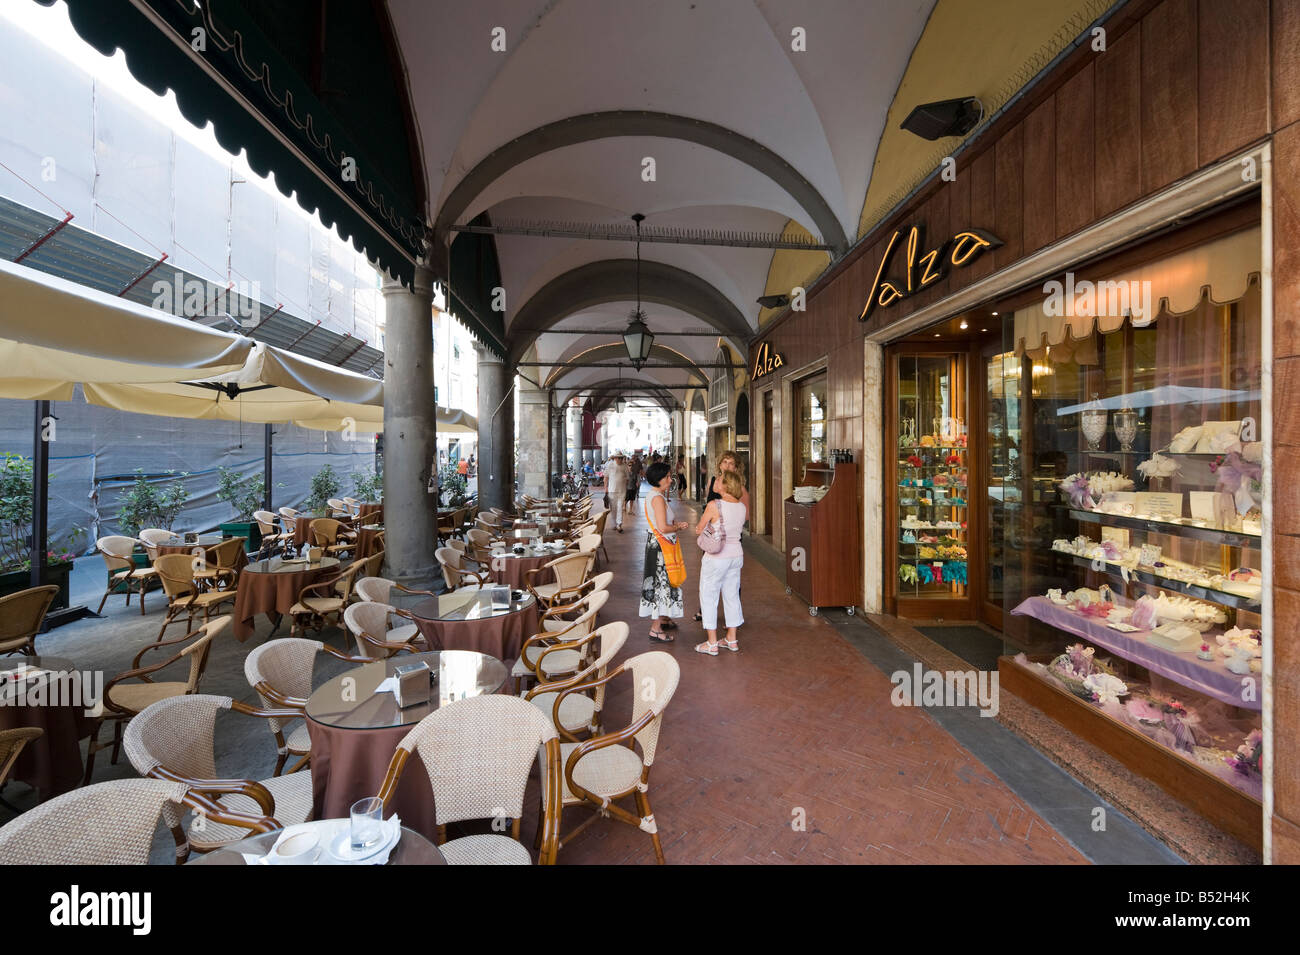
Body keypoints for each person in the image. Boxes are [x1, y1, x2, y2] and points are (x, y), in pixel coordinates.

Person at [694, 450, 750, 622]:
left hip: (731, 538)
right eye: (724, 462)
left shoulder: (739, 486)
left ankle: (731, 616)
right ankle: (704, 609)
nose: (727, 465)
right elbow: (707, 504)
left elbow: (746, 514)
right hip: (712, 537)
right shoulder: (713, 482)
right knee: (710, 577)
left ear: (736, 467)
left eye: (731, 463)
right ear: (719, 464)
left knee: (731, 581)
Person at [694, 470, 746, 655]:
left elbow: (699, 529)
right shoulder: (741, 507)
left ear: (726, 485)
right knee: (732, 596)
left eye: (720, 480)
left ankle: (712, 642)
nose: (716, 481)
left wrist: (704, 527)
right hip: (736, 556)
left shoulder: (714, 505)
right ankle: (731, 639)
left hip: (716, 558)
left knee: (709, 596)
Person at [640, 461, 689, 641]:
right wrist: (678, 526)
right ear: (659, 479)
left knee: (662, 583)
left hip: (657, 545)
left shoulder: (654, 494)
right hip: (661, 547)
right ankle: (656, 628)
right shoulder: (658, 498)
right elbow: (663, 527)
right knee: (662, 585)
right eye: (667, 477)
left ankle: (665, 618)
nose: (670, 479)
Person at [604, 452, 628, 532]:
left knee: (620, 507)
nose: (620, 459)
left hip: (622, 491)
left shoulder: (625, 466)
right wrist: (606, 488)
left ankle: (619, 524)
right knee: (613, 508)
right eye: (619, 458)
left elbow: (627, 478)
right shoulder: (610, 465)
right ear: (615, 458)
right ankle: (614, 523)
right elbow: (606, 477)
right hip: (612, 490)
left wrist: (625, 487)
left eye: (621, 458)